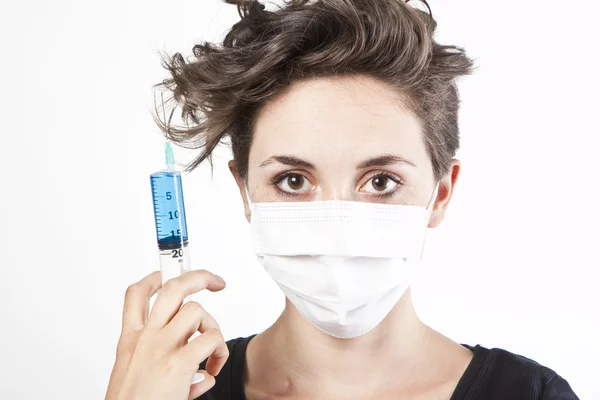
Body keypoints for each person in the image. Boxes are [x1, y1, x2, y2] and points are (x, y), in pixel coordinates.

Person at [105, 0, 580, 399]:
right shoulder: (178, 392)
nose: (335, 226)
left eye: (380, 181)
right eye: (293, 180)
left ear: (440, 193)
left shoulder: (531, 395)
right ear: (246, 192)